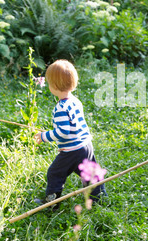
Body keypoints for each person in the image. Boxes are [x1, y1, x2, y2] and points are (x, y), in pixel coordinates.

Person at [34, 59, 107, 209]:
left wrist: (44, 136)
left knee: (55, 173)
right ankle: (99, 197)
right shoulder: (75, 101)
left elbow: (63, 132)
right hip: (86, 144)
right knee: (90, 172)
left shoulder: (61, 107)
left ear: (54, 86)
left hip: (72, 150)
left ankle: (51, 202)